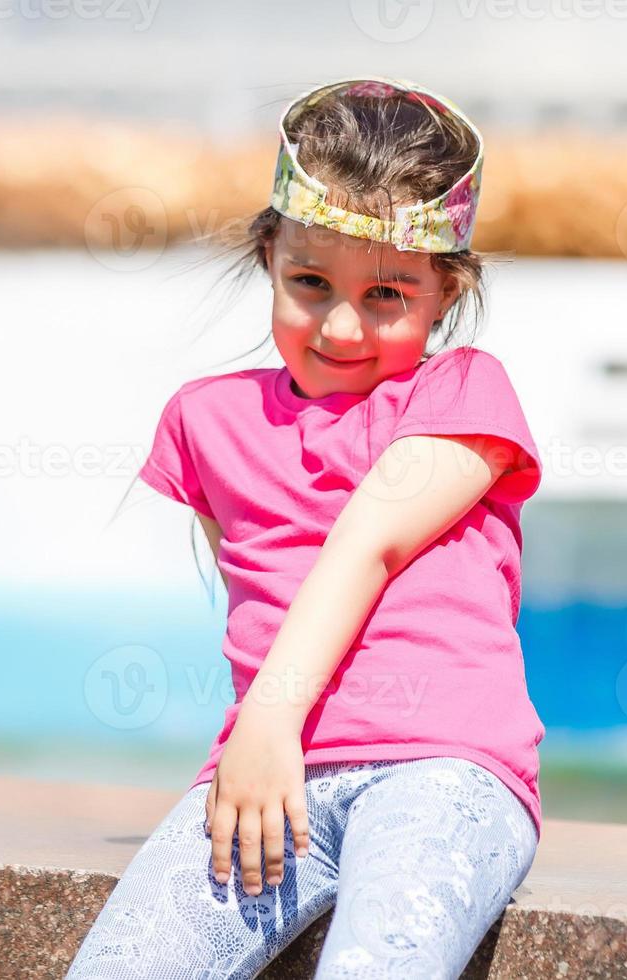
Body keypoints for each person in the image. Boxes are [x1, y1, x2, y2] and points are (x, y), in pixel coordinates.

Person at [67, 76, 546, 979]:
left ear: (445, 293)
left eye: (388, 296)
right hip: (267, 778)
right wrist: (257, 746)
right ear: (267, 255)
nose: (340, 324)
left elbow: (369, 544)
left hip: (443, 771)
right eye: (311, 281)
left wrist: (267, 721)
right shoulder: (205, 421)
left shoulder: (462, 391)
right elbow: (255, 594)